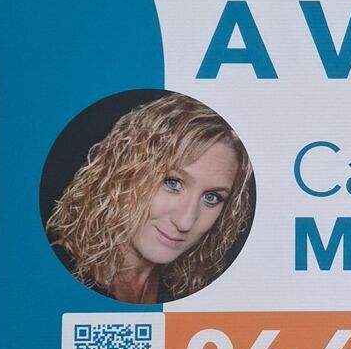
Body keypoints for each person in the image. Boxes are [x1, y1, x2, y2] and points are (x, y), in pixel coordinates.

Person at [46, 93, 252, 303]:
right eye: (172, 183)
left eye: (211, 197)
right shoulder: (50, 278)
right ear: (124, 171)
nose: (185, 222)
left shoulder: (184, 294)